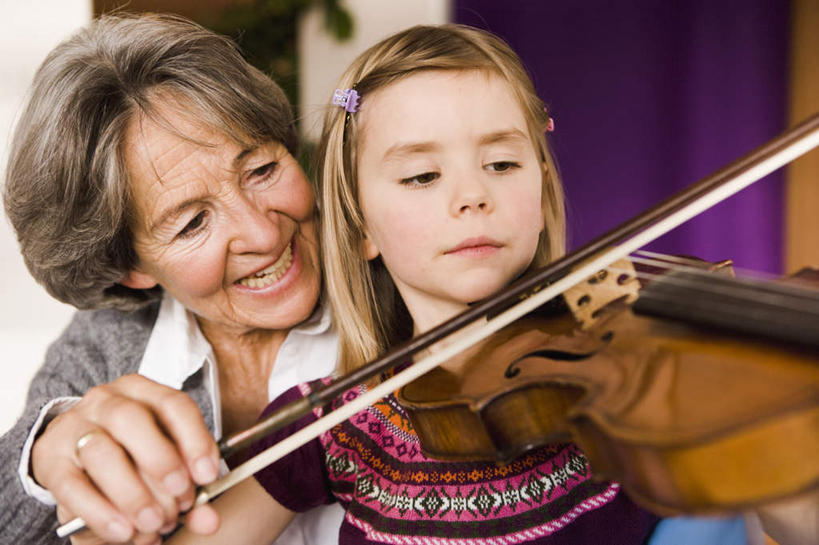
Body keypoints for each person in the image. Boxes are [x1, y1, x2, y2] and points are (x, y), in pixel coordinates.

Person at [167, 23, 818, 545]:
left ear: (539, 183)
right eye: (422, 175)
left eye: (502, 162)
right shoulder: (334, 421)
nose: (473, 195)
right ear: (361, 223)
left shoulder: (628, 392)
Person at [0, 13, 345, 545]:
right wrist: (45, 451)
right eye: (191, 223)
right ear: (132, 268)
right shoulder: (106, 344)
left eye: (261, 170)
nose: (262, 232)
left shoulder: (403, 281)